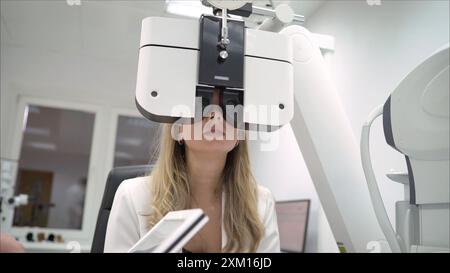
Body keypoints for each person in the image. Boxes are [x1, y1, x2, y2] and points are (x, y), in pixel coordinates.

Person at [104, 90, 280, 253]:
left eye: (230, 106)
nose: (215, 115)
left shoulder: (262, 204)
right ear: (178, 128)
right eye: (201, 104)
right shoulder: (132, 196)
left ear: (238, 136)